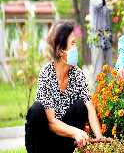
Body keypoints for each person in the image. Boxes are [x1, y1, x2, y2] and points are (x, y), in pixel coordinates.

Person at [25, 21, 105, 153]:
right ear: (61, 51)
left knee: (81, 106)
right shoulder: (47, 73)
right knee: (37, 109)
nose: (76, 48)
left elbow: (90, 107)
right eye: (73, 44)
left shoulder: (77, 73)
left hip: (65, 139)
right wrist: (76, 132)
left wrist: (99, 137)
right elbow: (50, 121)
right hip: (45, 139)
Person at [89, 0, 117, 88]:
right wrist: (107, 0)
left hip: (107, 34)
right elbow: (96, 4)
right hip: (97, 35)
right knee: (97, 69)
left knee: (109, 70)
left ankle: (108, 102)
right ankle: (93, 105)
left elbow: (108, 10)